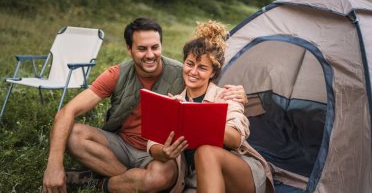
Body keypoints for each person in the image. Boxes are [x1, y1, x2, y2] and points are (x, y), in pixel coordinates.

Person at [42, 17, 247, 193]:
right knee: (70, 133)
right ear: (129, 49)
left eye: (155, 47)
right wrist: (53, 165)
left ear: (161, 47)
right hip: (121, 147)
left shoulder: (180, 74)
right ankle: (132, 183)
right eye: (141, 49)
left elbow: (208, 85)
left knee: (160, 175)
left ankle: (102, 183)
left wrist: (240, 94)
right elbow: (67, 111)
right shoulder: (117, 74)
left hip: (158, 158)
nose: (150, 55)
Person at [148, 20, 274, 193]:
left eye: (202, 68)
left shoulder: (227, 96)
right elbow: (153, 145)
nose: (193, 72)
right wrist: (164, 151)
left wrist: (195, 118)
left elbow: (236, 138)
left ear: (213, 72)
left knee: (206, 151)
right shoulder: (176, 102)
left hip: (240, 174)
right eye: (190, 64)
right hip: (196, 180)